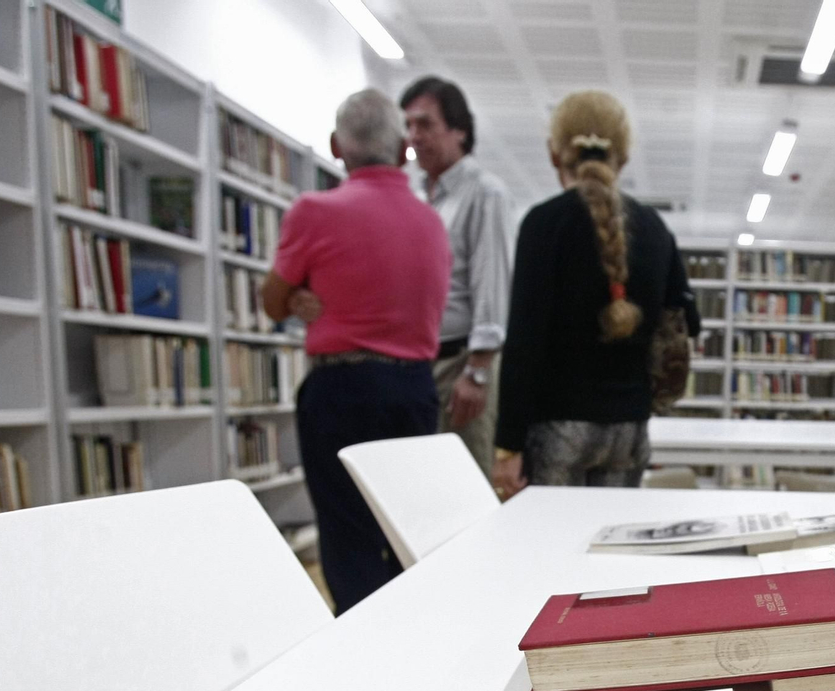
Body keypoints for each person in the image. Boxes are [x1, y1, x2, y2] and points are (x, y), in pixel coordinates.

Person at [261, 89, 450, 614]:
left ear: (335, 147)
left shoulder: (313, 212)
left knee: (348, 537)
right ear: (402, 150)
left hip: (340, 389)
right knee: (406, 529)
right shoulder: (430, 222)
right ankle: (411, 636)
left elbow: (272, 302)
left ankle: (364, 655)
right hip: (414, 387)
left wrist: (299, 296)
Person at [491, 90, 698, 499]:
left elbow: (525, 340)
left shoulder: (543, 223)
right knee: (609, 556)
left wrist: (507, 445)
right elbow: (687, 322)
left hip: (559, 427)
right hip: (630, 429)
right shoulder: (655, 228)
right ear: (623, 158)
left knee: (551, 554)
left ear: (555, 154)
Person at [401, 76, 512, 479]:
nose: (414, 136)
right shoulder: (416, 196)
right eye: (408, 126)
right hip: (415, 367)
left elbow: (491, 281)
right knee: (419, 488)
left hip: (462, 365)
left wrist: (478, 370)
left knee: (463, 485)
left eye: (425, 124)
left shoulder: (484, 193)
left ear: (459, 130)